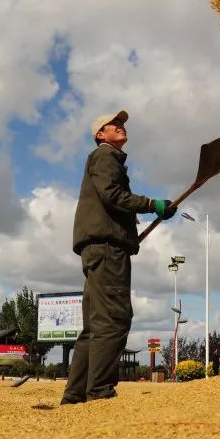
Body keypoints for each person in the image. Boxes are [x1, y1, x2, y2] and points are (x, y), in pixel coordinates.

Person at [61, 110, 176, 404]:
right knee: (114, 318)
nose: (121, 126)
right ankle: (99, 391)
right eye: (114, 124)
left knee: (94, 326)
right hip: (107, 250)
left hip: (101, 248)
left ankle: (75, 396)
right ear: (100, 134)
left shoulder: (105, 159)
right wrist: (151, 204)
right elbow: (112, 195)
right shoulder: (104, 156)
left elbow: (111, 201)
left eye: (123, 123)